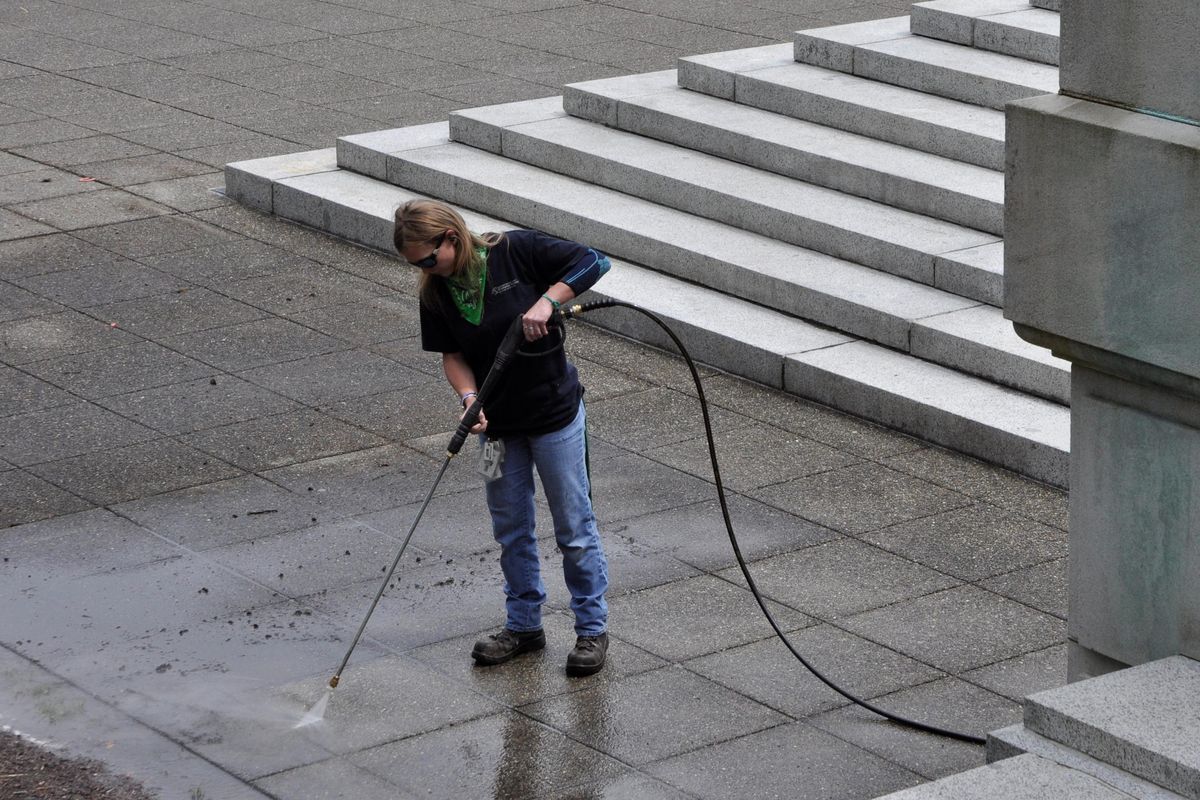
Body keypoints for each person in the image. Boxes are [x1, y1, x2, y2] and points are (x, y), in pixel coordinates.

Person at [394, 198, 612, 677]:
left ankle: (592, 630)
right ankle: (524, 625)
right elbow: (451, 355)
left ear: (450, 237)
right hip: (494, 431)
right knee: (510, 529)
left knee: (573, 529)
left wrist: (548, 299)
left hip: (553, 415)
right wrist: (468, 398)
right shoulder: (435, 290)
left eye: (429, 259)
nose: (427, 270)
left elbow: (596, 260)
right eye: (417, 265)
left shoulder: (516, 250)